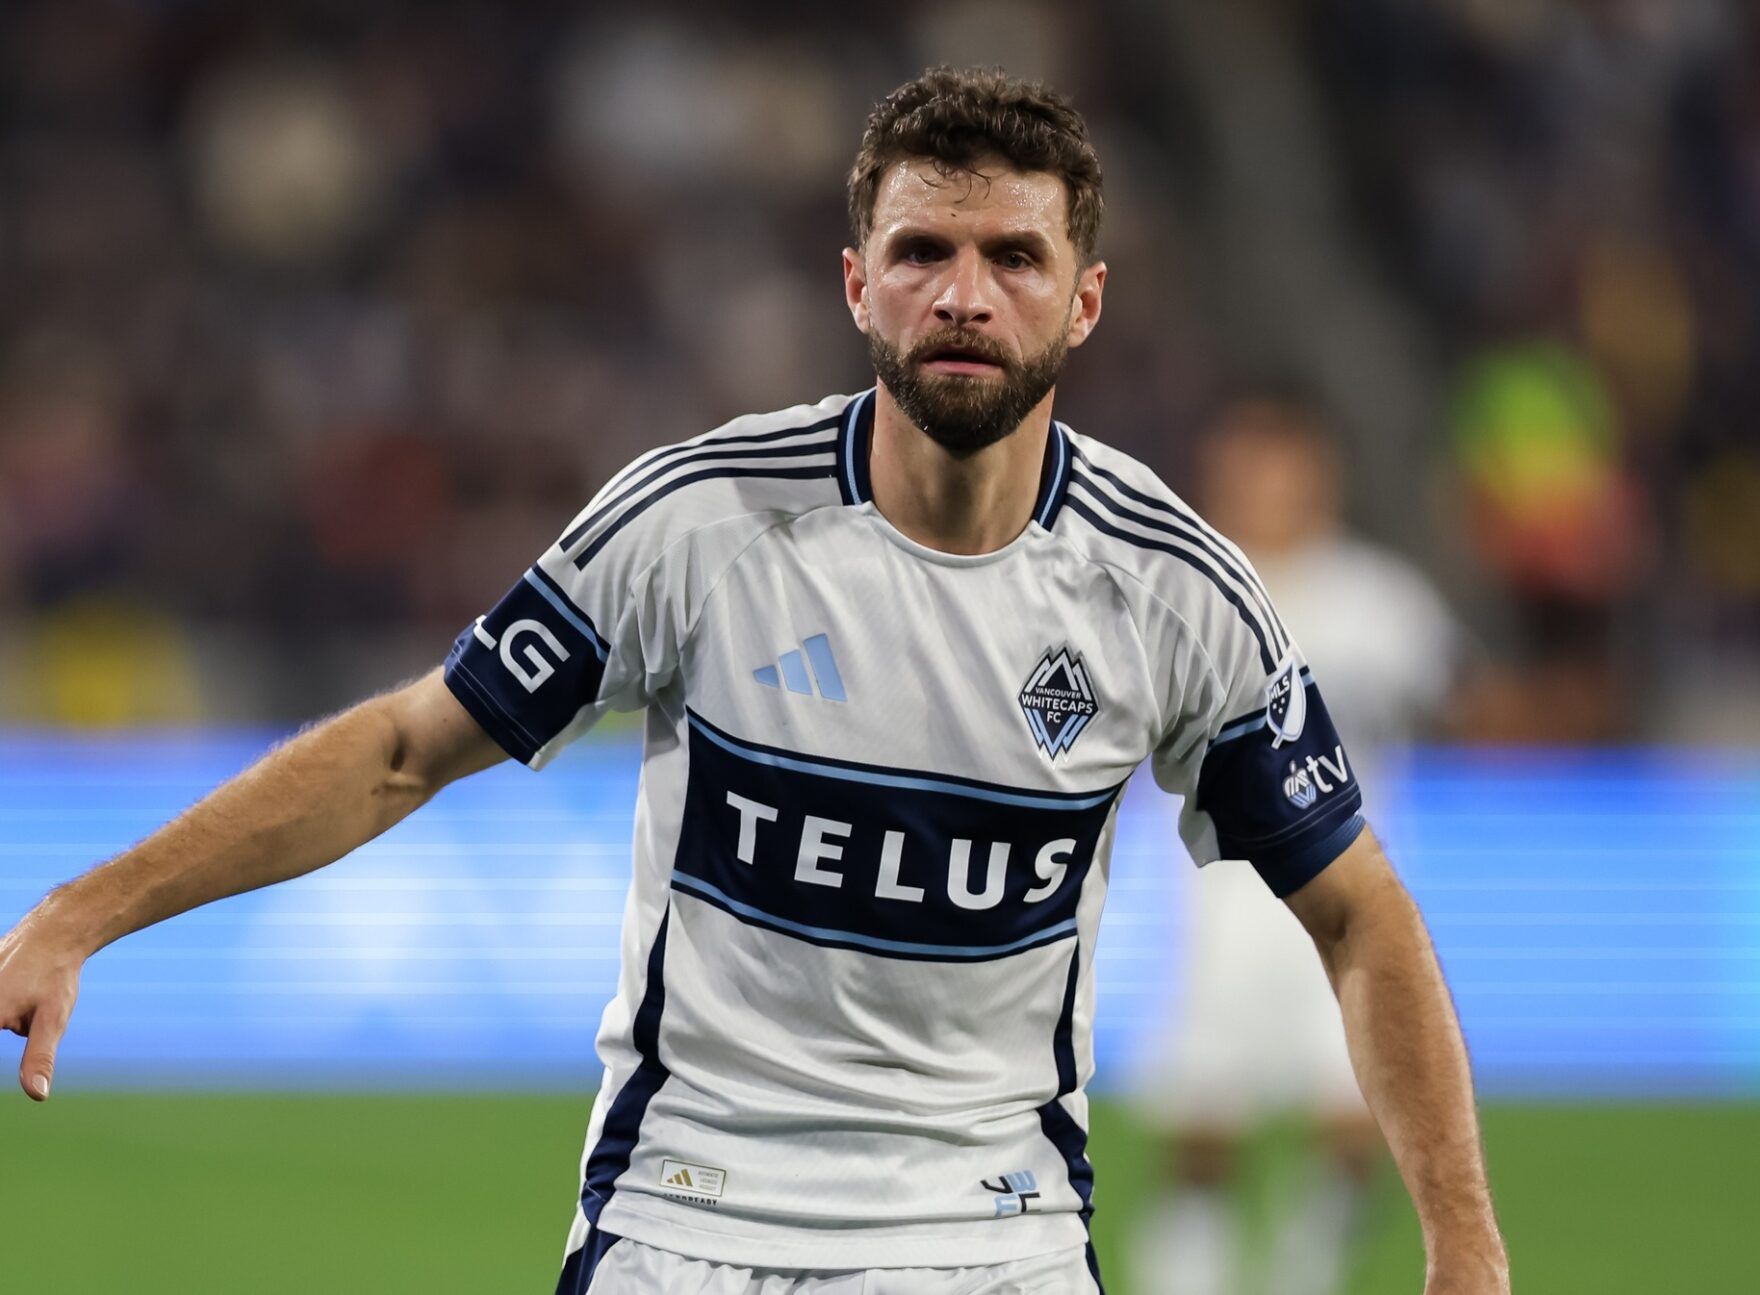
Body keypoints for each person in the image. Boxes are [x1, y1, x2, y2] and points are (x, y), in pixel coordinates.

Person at [0, 69, 1508, 1295]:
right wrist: (83, 910)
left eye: (1014, 257)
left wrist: (1466, 1245)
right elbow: (405, 746)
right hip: (686, 1217)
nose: (965, 294)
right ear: (858, 283)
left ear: (1086, 301)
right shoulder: (696, 522)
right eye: (924, 252)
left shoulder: (1175, 591)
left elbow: (1360, 904)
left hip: (993, 1235)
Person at [1132, 398, 1466, 1295]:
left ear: (1321, 473)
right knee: (1205, 1133)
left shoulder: (1386, 603)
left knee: (1358, 1118)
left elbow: (1449, 716)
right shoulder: (1178, 589)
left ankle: (1301, 1274)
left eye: (1285, 465)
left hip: (1350, 894)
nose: (1269, 486)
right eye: (1249, 465)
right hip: (1220, 902)